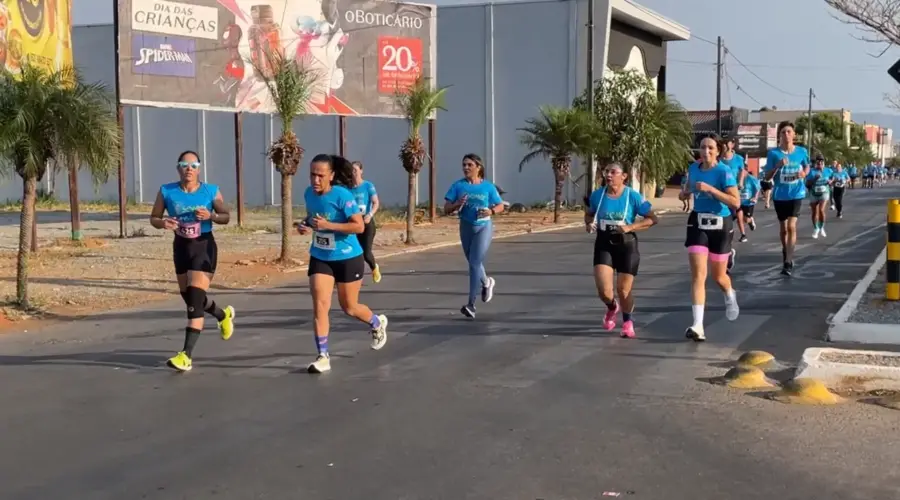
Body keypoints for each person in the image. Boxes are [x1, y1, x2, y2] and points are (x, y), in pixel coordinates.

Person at [295, 154, 389, 374]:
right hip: (320, 256)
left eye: (320, 175)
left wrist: (329, 225)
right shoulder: (309, 194)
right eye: (312, 175)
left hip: (347, 256)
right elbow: (312, 218)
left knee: (349, 307)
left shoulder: (342, 196)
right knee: (320, 305)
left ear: (331, 176)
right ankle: (323, 356)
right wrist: (304, 225)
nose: (315, 180)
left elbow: (358, 227)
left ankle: (376, 323)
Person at [149, 151, 235, 372]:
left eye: (194, 165)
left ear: (199, 168)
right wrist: (163, 223)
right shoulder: (167, 191)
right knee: (188, 296)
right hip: (181, 247)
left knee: (194, 301)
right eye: (184, 165)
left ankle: (186, 356)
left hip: (203, 247)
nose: (189, 169)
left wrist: (211, 216)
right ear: (178, 168)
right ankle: (222, 315)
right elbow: (154, 218)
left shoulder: (210, 191)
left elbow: (225, 215)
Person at [584, 163, 659, 338]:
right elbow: (589, 213)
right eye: (606, 171)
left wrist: (629, 227)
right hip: (604, 242)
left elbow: (652, 219)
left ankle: (627, 322)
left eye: (613, 172)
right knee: (604, 291)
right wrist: (588, 223)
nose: (609, 175)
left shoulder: (633, 196)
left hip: (626, 244)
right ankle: (612, 307)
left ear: (623, 176)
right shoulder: (598, 195)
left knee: (623, 290)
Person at [679, 135, 741, 341]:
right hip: (698, 221)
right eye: (702, 147)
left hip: (721, 223)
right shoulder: (693, 169)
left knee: (718, 277)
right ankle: (698, 325)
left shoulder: (724, 171)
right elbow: (688, 188)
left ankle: (730, 294)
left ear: (718, 150)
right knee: (698, 275)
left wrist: (712, 190)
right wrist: (684, 193)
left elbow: (735, 202)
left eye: (710, 148)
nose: (706, 151)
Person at [444, 153, 505, 319]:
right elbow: (446, 207)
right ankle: (486, 282)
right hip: (466, 227)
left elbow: (500, 206)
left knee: (474, 263)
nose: (466, 168)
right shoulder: (458, 186)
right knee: (473, 261)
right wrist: (456, 204)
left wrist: (491, 211)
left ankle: (471, 304)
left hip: (484, 227)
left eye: (469, 165)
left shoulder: (488, 187)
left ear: (478, 167)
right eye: (464, 165)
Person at [764, 121, 810, 277]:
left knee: (791, 226)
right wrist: (777, 166)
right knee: (783, 229)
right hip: (780, 195)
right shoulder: (773, 154)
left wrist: (804, 173)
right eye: (783, 132)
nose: (786, 135)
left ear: (794, 134)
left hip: (796, 194)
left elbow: (807, 166)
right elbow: (767, 176)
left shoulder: (801, 151)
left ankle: (788, 262)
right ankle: (786, 250)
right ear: (779, 136)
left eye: (789, 131)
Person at [349, 161, 382, 283]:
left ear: (361, 171)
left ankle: (374, 268)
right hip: (353, 223)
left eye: (355, 170)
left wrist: (370, 215)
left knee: (366, 253)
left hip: (367, 223)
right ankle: (355, 278)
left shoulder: (368, 186)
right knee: (355, 253)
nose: (353, 173)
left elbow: (376, 202)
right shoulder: (348, 188)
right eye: (352, 170)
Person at [719, 137, 744, 272]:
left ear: (732, 144)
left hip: (732, 196)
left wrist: (740, 182)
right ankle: (726, 253)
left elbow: (742, 171)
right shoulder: (719, 159)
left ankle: (727, 251)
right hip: (719, 196)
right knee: (720, 228)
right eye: (724, 143)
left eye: (728, 142)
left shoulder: (738, 159)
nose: (726, 145)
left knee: (727, 226)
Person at [805, 155, 833, 239]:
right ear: (816, 163)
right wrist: (814, 179)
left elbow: (833, 178)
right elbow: (807, 184)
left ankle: (822, 227)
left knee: (821, 210)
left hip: (824, 193)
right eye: (818, 161)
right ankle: (816, 228)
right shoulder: (811, 171)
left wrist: (830, 181)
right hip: (813, 193)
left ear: (824, 162)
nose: (820, 163)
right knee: (814, 212)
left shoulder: (828, 170)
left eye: (822, 161)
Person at [737, 167, 760, 243]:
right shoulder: (735, 177)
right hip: (738, 202)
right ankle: (743, 235)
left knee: (746, 219)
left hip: (748, 202)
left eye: (742, 171)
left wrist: (755, 197)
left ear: (746, 170)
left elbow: (757, 189)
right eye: (739, 171)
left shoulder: (751, 179)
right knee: (739, 217)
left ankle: (750, 221)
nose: (740, 173)